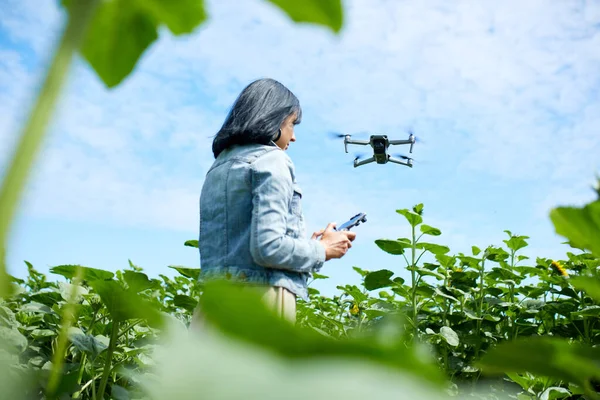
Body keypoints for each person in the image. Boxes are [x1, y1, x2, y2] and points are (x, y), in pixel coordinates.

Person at [192, 78, 356, 325]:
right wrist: (322, 249)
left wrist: (305, 246)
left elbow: (242, 249)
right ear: (274, 120)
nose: (293, 137)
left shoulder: (217, 168)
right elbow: (268, 248)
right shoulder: (272, 160)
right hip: (259, 302)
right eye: (291, 124)